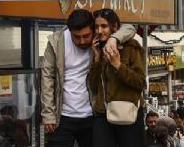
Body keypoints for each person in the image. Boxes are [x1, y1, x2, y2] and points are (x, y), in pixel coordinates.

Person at [41, 9, 136, 146]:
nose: (82, 41)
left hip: (92, 115)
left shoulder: (101, 41)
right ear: (69, 31)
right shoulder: (56, 42)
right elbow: (47, 78)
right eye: (76, 37)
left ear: (94, 30)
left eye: (86, 36)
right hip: (61, 117)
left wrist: (113, 39)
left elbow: (130, 28)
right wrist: (48, 113)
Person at [89, 8, 147, 146]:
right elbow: (93, 86)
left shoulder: (131, 47)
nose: (99, 31)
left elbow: (140, 82)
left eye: (104, 26)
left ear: (114, 27)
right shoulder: (99, 49)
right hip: (103, 114)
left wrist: (118, 65)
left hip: (128, 114)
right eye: (96, 27)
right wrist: (97, 59)